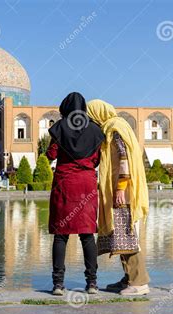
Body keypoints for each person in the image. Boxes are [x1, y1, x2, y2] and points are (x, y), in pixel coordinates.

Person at [87, 99, 150, 296]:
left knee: (128, 236)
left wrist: (121, 187)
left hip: (124, 192)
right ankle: (128, 278)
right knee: (120, 236)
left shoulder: (115, 129)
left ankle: (139, 283)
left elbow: (124, 159)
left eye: (91, 117)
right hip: (121, 190)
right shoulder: (114, 127)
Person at [46, 92, 105, 296]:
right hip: (86, 185)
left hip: (65, 183)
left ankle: (58, 284)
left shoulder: (60, 128)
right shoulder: (95, 130)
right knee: (87, 235)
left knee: (61, 236)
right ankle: (92, 283)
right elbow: (97, 159)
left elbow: (51, 154)